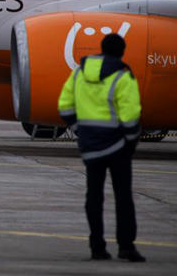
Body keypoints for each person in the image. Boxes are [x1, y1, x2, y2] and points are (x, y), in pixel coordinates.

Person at [58, 33, 145, 262]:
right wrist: (131, 141)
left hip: (90, 146)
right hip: (117, 147)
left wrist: (79, 130)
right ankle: (126, 247)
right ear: (122, 51)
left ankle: (97, 247)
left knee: (94, 197)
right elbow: (130, 114)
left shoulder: (79, 71)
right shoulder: (122, 75)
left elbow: (64, 106)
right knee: (123, 198)